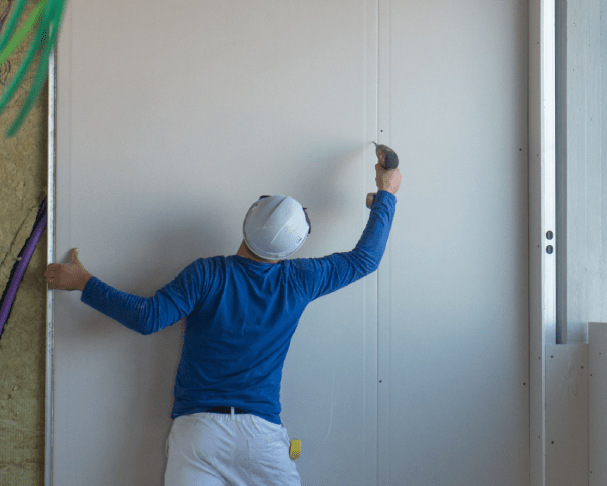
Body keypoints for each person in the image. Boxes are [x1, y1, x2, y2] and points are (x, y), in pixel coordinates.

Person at [45, 161, 402, 486]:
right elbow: (365, 260)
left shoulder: (207, 274)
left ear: (249, 221)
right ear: (293, 246)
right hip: (260, 436)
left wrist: (83, 282)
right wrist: (386, 193)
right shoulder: (299, 279)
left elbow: (148, 317)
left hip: (198, 433)